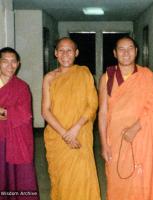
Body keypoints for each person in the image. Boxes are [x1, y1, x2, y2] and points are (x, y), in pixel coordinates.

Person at [98, 36, 153, 200]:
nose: (126, 53)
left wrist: (135, 128)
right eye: (121, 49)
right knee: (117, 179)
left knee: (141, 179)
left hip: (142, 136)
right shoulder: (107, 77)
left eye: (130, 48)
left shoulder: (147, 75)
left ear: (136, 52)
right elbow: (103, 112)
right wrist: (103, 144)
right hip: (115, 138)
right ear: (115, 53)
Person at [42, 37, 101, 200]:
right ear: (55, 53)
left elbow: (93, 104)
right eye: (61, 50)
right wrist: (65, 134)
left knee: (81, 176)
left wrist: (75, 129)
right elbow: (45, 111)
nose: (65, 54)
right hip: (57, 136)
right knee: (62, 178)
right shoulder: (49, 78)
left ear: (76, 53)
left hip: (80, 133)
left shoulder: (84, 73)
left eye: (69, 50)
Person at [0, 47, 39, 199]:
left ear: (19, 64)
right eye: (5, 61)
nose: (10, 66)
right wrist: (7, 112)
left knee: (18, 176)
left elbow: (24, 114)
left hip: (16, 140)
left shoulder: (22, 87)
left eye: (13, 62)